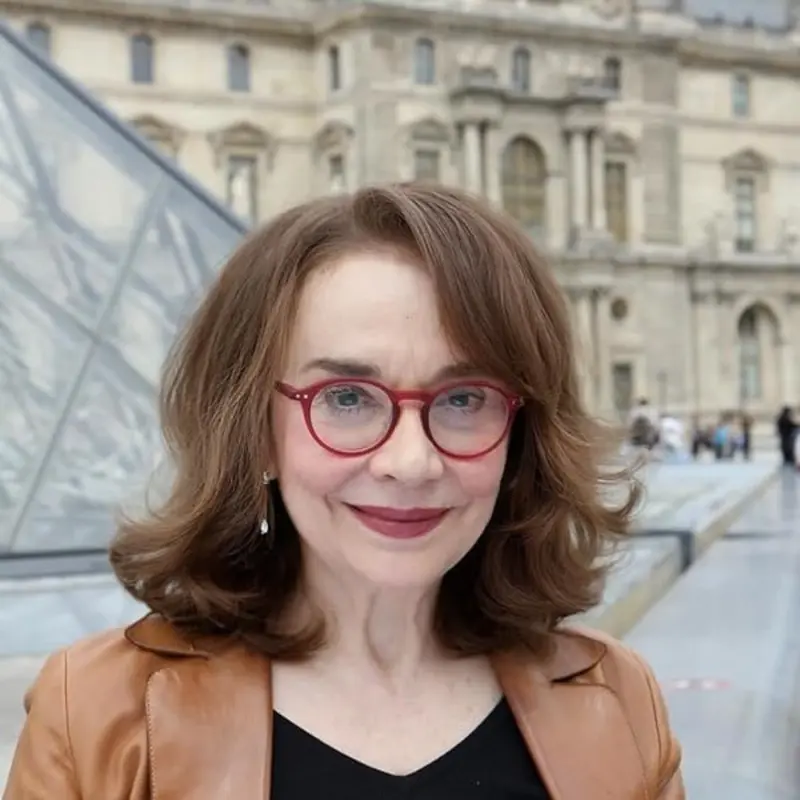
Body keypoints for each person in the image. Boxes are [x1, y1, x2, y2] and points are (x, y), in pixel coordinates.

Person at [4, 184, 684, 799]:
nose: (410, 461)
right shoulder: (93, 717)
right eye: (349, 397)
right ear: (255, 430)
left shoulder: (622, 705)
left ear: (521, 435)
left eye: (465, 397)